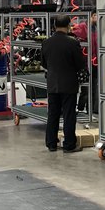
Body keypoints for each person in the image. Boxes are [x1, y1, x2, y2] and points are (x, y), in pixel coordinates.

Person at [41, 15, 87, 153]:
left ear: (54, 26)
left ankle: (51, 143)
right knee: (68, 115)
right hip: (69, 84)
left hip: (52, 83)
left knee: (53, 114)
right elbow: (80, 64)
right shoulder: (72, 43)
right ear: (68, 26)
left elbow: (44, 63)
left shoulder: (46, 43)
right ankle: (69, 144)